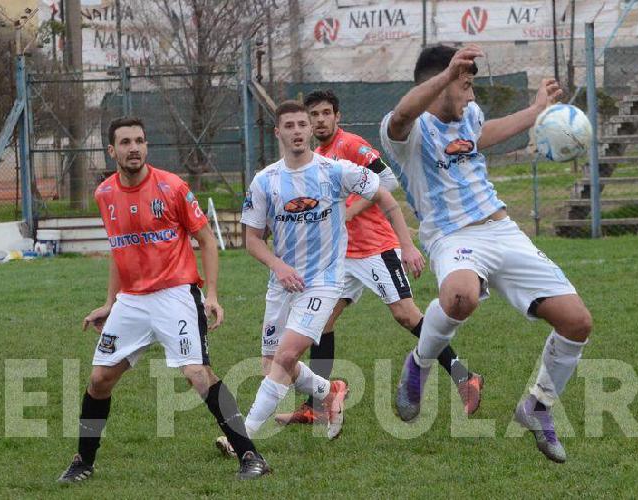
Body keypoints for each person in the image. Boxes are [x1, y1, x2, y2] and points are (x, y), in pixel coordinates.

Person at [380, 45, 594, 464]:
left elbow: (485, 133)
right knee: (461, 296)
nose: (472, 95)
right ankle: (420, 363)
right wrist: (448, 77)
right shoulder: (405, 130)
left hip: (503, 230)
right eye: (466, 84)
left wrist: (536, 110)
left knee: (577, 322)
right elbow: (404, 115)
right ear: (438, 83)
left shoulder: (469, 115)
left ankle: (537, 406)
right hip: (450, 234)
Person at [57, 117, 270, 483]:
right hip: (132, 300)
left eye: (139, 140)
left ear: (146, 146)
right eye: (125, 142)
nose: (134, 148)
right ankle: (83, 463)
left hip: (176, 294)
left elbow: (206, 240)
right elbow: (118, 250)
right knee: (99, 379)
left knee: (197, 374)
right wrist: (110, 303)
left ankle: (251, 456)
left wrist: (213, 294)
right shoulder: (104, 194)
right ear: (112, 151)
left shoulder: (172, 187)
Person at [217, 100, 425, 455]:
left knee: (284, 357)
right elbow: (252, 240)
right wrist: (279, 267)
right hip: (282, 285)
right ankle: (330, 392)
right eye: (290, 125)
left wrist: (407, 246)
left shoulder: (335, 171)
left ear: (310, 131)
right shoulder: (265, 181)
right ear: (278, 132)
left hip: (324, 282)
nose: (298, 130)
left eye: (303, 124)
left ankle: (243, 437)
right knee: (273, 362)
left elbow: (387, 197)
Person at [273, 89, 483, 427]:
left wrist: (355, 213)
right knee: (321, 323)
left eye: (327, 113)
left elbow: (388, 179)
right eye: (314, 115)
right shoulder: (317, 156)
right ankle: (316, 405)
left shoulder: (350, 145)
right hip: (340, 257)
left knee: (405, 315)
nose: (321, 120)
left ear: (337, 117)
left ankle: (465, 376)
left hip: (375, 249)